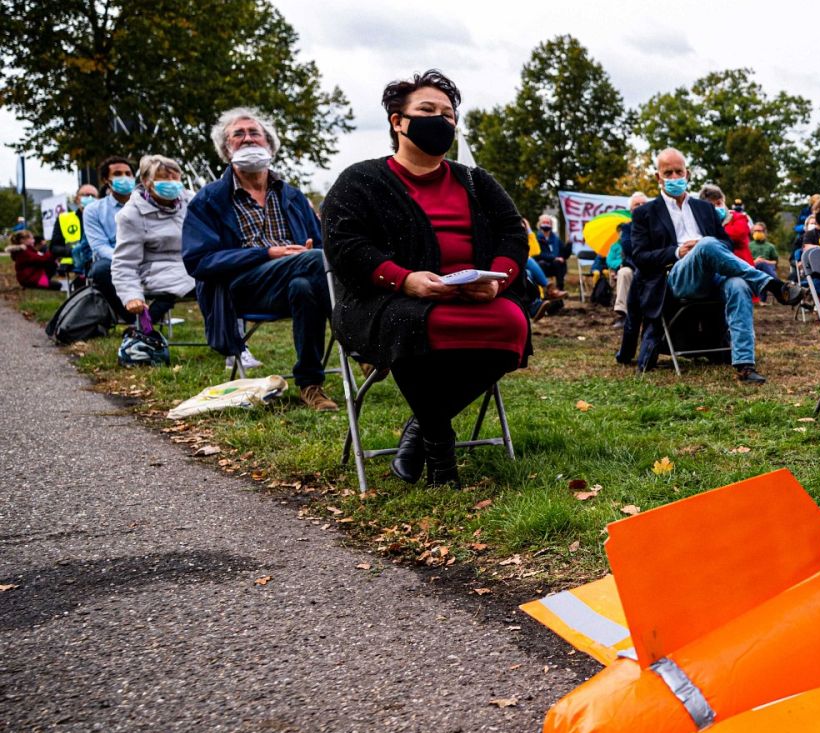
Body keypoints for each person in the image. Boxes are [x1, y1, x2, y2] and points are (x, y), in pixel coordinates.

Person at [324, 69, 528, 487]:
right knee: (412, 323)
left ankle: (419, 428)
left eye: (449, 114)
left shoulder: (475, 180)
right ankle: (439, 447)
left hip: (475, 295)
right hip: (388, 298)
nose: (442, 120)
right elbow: (346, 246)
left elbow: (513, 233)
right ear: (398, 121)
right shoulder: (360, 180)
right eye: (427, 110)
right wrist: (406, 280)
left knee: (512, 324)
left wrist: (498, 281)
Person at [183, 106, 335, 410]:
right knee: (317, 261)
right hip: (241, 288)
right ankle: (361, 348)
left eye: (255, 133)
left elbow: (319, 245)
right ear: (226, 150)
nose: (248, 138)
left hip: (293, 281)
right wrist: (267, 253)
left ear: (269, 145)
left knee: (305, 285)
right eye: (238, 134)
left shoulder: (290, 196)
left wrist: (303, 253)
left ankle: (310, 385)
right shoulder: (209, 200)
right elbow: (198, 262)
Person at [622, 146, 797, 383]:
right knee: (706, 245)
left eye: (678, 172)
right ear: (658, 177)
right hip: (675, 277)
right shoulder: (645, 213)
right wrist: (677, 251)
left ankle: (745, 365)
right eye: (668, 173)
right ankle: (773, 286)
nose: (674, 177)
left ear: (688, 173)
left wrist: (706, 247)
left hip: (713, 276)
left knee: (737, 284)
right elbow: (640, 257)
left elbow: (725, 243)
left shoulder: (704, 208)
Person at [111, 155, 195, 329]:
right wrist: (131, 295)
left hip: (194, 265)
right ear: (146, 181)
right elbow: (124, 263)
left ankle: (233, 345)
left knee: (228, 281)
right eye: (164, 177)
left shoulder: (192, 201)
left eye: (175, 177)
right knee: (217, 286)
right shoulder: (131, 215)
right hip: (158, 272)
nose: (171, 183)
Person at [83, 155, 135, 315]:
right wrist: (125, 260)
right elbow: (99, 247)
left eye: (128, 173)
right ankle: (131, 317)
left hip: (146, 257)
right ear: (106, 179)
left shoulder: (147, 204)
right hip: (112, 260)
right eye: (118, 174)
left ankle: (151, 316)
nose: (124, 178)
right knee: (100, 271)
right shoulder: (94, 210)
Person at [609, 191, 648, 328]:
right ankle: (623, 315)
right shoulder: (627, 227)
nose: (641, 206)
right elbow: (628, 248)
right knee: (624, 273)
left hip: (653, 264)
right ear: (631, 210)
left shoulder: (657, 225)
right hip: (634, 265)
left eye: (644, 204)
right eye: (637, 204)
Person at [48, 183, 98, 284]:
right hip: (74, 270)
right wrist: (73, 252)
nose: (89, 198)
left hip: (100, 267)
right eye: (85, 195)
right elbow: (54, 248)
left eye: (93, 196)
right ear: (76, 199)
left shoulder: (106, 218)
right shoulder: (64, 219)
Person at [699, 185, 752, 265]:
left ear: (724, 201)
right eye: (712, 206)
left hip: (742, 265)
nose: (716, 207)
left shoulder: (739, 217)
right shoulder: (702, 223)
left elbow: (738, 235)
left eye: (718, 203)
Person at [532, 215, 569, 299]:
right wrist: (553, 258)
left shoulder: (556, 239)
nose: (546, 224)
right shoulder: (536, 239)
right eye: (544, 222)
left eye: (548, 222)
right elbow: (537, 254)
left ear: (551, 225)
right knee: (542, 263)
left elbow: (564, 253)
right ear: (539, 224)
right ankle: (544, 291)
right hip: (542, 265)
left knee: (559, 262)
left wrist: (569, 244)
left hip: (555, 266)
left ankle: (560, 288)